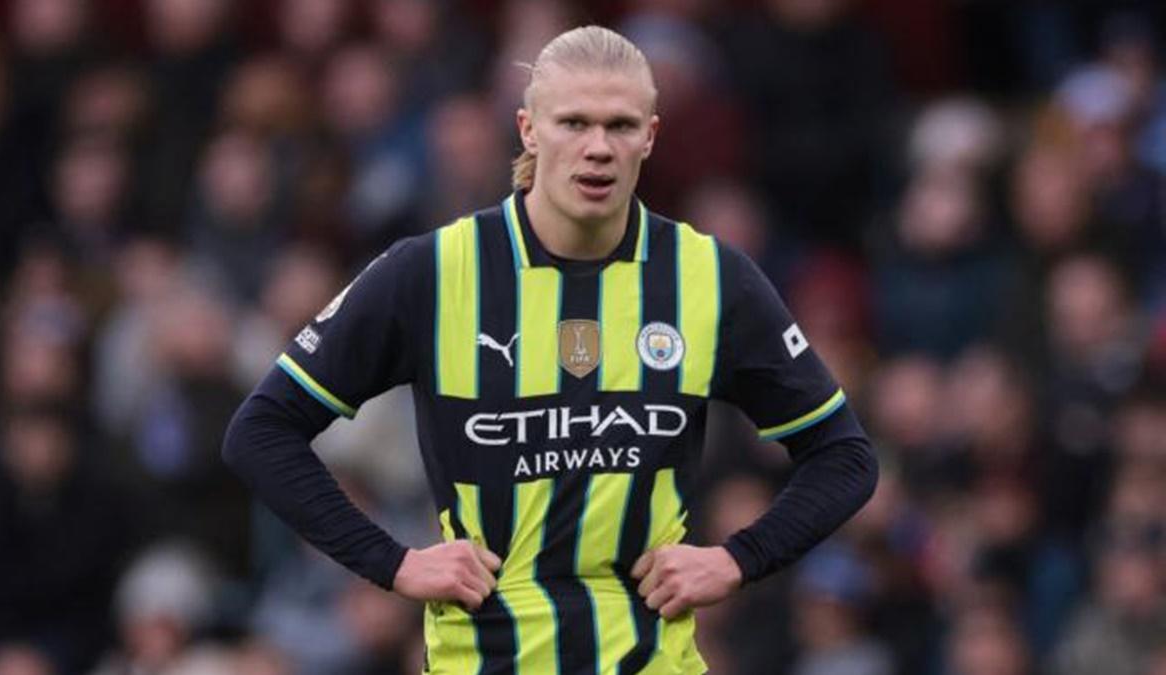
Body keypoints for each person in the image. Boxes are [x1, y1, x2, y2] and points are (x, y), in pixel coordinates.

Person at [223, 25, 878, 674]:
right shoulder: (432, 272)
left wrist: (739, 556)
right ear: (528, 129)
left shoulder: (708, 278)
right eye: (574, 123)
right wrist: (392, 561)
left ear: (649, 136)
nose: (598, 148)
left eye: (620, 126)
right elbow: (261, 431)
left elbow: (844, 455)